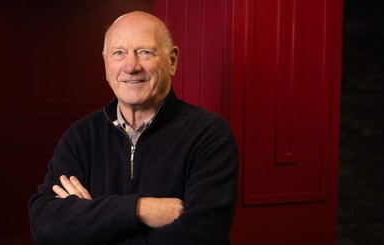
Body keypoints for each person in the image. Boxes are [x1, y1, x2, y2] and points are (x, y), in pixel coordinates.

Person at [29, 11, 238, 245]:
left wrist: (91, 222)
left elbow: (200, 236)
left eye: (145, 52)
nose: (131, 66)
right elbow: (45, 224)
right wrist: (139, 209)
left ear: (172, 61)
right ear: (106, 63)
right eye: (119, 53)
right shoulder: (81, 136)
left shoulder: (209, 135)